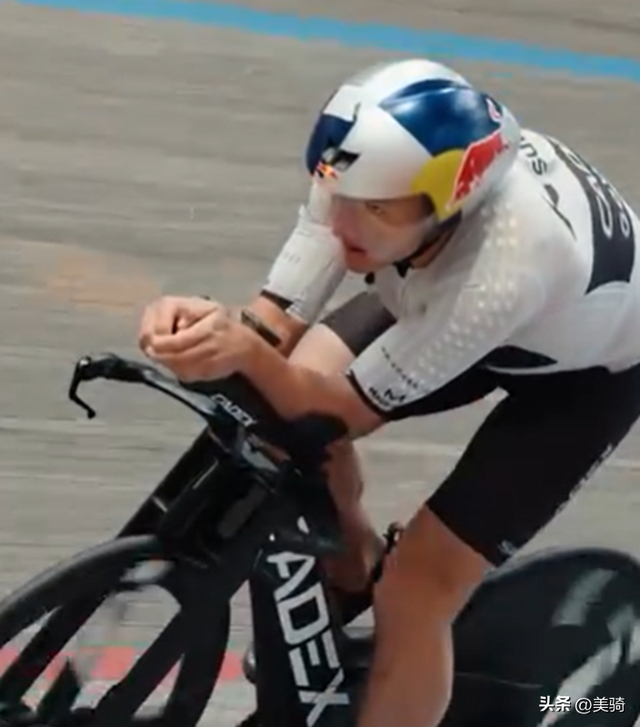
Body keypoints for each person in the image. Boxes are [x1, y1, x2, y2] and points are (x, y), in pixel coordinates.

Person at [137, 57, 640, 727]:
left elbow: (339, 412)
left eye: (375, 208)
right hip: (448, 294)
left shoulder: (508, 267)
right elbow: (273, 323)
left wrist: (244, 352)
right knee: (277, 415)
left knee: (417, 589)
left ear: (449, 200)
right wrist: (211, 331)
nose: (344, 223)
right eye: (338, 194)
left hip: (580, 379)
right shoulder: (363, 173)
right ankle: (352, 567)